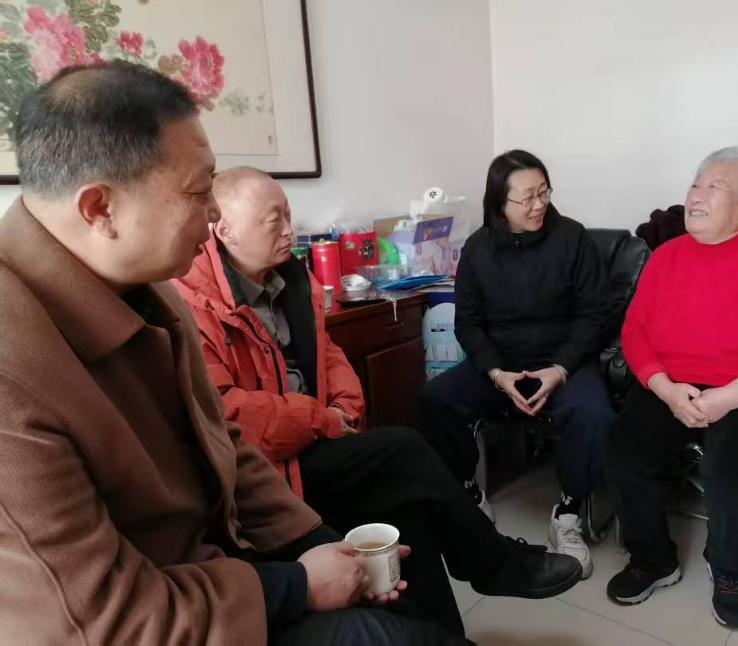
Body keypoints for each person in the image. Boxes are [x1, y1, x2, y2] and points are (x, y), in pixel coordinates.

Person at [0, 61, 468, 645]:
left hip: (217, 570)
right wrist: (297, 585)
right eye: (200, 192)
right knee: (379, 635)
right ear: (100, 209)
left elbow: (223, 443)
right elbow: (105, 620)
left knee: (395, 551)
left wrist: (320, 547)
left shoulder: (152, 294)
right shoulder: (14, 368)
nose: (216, 214)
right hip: (155, 619)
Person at [172, 166, 583, 638]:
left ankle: (450, 633)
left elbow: (328, 354)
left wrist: (344, 408)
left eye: (288, 215)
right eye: (273, 221)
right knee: (403, 450)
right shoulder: (192, 304)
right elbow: (231, 414)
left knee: (405, 514)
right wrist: (325, 419)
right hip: (267, 468)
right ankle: (493, 561)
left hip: (314, 441)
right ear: (225, 230)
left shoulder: (292, 280)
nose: (288, 230)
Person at [605, 147, 738, 629]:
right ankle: (652, 559)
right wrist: (664, 388)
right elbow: (635, 330)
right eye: (695, 184)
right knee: (625, 449)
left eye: (714, 187)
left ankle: (728, 571)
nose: (696, 196)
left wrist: (734, 393)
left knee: (734, 471)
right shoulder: (667, 256)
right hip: (672, 384)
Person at [418, 149, 616, 579]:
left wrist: (560, 368)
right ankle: (469, 492)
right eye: (527, 198)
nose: (539, 204)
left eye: (544, 192)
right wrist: (496, 373)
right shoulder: (477, 248)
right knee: (436, 400)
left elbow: (596, 315)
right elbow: (468, 323)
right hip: (500, 366)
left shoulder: (573, 238)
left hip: (563, 363)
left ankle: (568, 511)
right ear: (499, 201)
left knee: (594, 413)